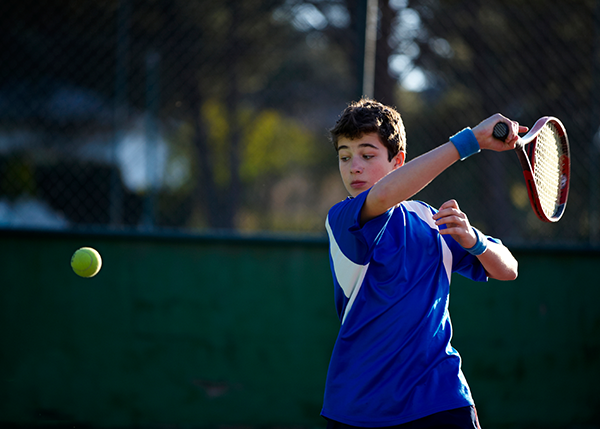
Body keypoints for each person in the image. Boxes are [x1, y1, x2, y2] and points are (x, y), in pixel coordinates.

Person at [321, 98, 523, 429]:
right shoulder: (342, 219)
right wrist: (470, 141)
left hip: (441, 397)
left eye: (367, 155)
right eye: (345, 157)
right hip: (360, 406)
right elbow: (385, 196)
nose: (353, 166)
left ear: (397, 161)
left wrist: (474, 241)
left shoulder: (430, 220)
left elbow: (507, 269)